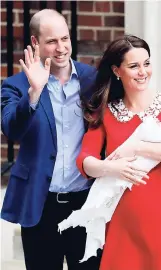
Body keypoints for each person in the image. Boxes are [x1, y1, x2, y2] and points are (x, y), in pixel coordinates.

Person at [76, 34, 161, 270]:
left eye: (146, 63)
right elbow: (85, 160)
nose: (143, 71)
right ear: (117, 71)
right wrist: (109, 167)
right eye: (134, 66)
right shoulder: (106, 113)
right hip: (121, 228)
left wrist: (138, 146)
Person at [1, 9, 102, 270]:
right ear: (35, 42)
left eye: (65, 39)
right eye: (52, 41)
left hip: (86, 203)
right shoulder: (16, 85)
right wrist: (34, 93)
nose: (61, 48)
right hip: (40, 205)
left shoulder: (93, 80)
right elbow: (11, 129)